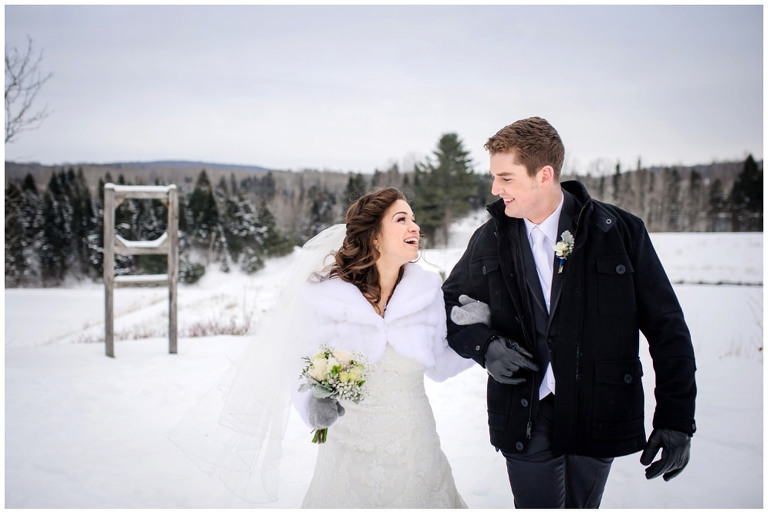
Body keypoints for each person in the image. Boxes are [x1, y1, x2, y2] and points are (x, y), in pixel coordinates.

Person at [442, 116, 697, 508]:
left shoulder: (619, 232)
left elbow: (667, 327)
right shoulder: (490, 238)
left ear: (544, 175)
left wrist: (676, 418)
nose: (495, 189)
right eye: (494, 177)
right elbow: (448, 305)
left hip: (600, 409)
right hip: (524, 411)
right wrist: (485, 345)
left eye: (506, 178)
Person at [293, 187, 472, 508]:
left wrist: (476, 332)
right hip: (347, 456)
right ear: (374, 236)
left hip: (416, 450)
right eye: (402, 219)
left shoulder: (427, 291)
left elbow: (440, 365)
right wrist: (311, 404)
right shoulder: (326, 296)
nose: (415, 227)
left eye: (414, 219)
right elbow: (298, 364)